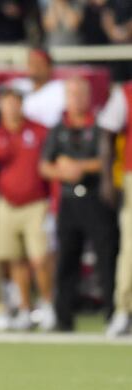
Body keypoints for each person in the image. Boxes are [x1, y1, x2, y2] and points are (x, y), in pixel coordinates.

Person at [39, 76, 119, 332]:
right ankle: (63, 317)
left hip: (97, 199)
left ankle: (113, 315)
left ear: (89, 96)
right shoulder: (58, 128)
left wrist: (79, 166)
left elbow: (107, 159)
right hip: (69, 200)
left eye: (81, 94)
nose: (77, 99)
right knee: (67, 261)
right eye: (72, 94)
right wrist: (62, 171)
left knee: (107, 259)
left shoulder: (99, 126)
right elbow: (44, 166)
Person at [0, 86, 54, 331]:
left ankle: (48, 304)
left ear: (21, 104)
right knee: (15, 259)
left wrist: (55, 205)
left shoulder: (39, 131)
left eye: (15, 102)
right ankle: (24, 307)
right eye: (7, 103)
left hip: (37, 203)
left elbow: (50, 170)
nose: (11, 108)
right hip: (7, 204)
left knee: (39, 258)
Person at [97, 78, 132, 337]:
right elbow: (107, 134)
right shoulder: (127, 93)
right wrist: (108, 179)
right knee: (130, 248)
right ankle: (123, 309)